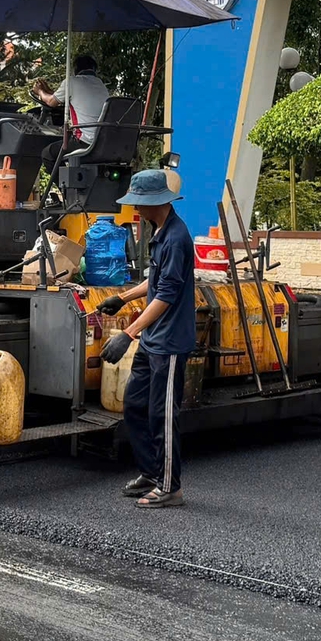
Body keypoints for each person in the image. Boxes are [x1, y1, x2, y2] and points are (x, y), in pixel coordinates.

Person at [97, 169, 194, 509]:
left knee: (162, 415)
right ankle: (151, 473)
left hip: (169, 343)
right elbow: (155, 281)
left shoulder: (177, 238)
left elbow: (166, 296)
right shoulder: (160, 232)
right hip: (152, 338)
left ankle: (170, 487)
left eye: (140, 203)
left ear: (158, 203)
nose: (136, 208)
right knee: (135, 406)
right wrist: (122, 298)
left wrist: (128, 332)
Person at [31, 53, 109, 145]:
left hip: (85, 141)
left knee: (47, 153)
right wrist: (46, 90)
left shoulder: (72, 81)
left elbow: (51, 102)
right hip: (102, 140)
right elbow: (61, 96)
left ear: (75, 69)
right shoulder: (100, 84)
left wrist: (39, 91)